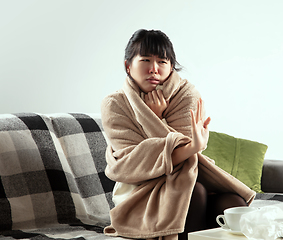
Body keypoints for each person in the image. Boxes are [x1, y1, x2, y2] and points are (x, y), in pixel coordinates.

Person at [101, 29, 255, 240]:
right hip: (139, 189)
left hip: (188, 176)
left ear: (171, 67)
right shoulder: (115, 104)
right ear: (128, 65)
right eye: (145, 60)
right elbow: (133, 162)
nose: (154, 69)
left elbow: (185, 162)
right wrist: (157, 120)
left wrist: (186, 146)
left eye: (162, 62)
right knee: (195, 193)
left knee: (233, 203)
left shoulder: (187, 95)